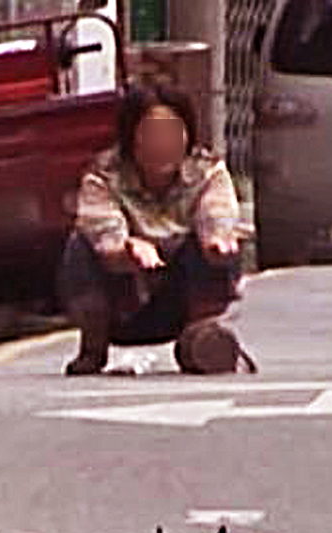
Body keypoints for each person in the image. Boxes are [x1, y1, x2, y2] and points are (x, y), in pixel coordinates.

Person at [57, 85, 244, 376]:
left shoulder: (207, 172)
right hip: (124, 296)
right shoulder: (103, 176)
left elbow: (216, 215)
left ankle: (200, 338)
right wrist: (127, 251)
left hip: (180, 294)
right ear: (132, 137)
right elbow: (103, 233)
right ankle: (93, 346)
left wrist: (217, 245)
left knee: (218, 250)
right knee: (78, 246)